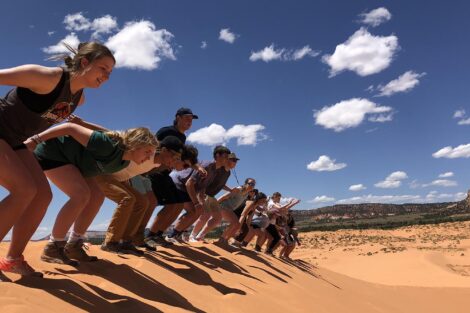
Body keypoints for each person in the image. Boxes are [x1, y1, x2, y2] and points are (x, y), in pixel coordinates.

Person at [0, 42, 115, 277]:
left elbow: (71, 122)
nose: (106, 76)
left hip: (14, 139)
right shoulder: (47, 77)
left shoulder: (79, 99)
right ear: (84, 63)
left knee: (42, 195)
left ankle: (13, 259)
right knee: (23, 189)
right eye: (103, 68)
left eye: (110, 72)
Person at [31, 123, 157, 266]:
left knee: (97, 196)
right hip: (53, 153)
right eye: (148, 151)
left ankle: (73, 245)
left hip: (77, 163)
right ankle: (53, 247)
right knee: (81, 195)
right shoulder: (107, 146)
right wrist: (34, 140)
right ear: (135, 145)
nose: (149, 157)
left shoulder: (123, 163)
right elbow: (69, 128)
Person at [96, 136, 184, 256]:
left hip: (119, 179)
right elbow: (119, 136)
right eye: (174, 156)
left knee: (142, 202)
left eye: (177, 158)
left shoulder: (157, 164)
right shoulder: (147, 153)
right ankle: (110, 242)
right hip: (102, 173)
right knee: (127, 199)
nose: (174, 160)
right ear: (164, 150)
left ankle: (126, 241)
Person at [145, 108, 205, 246]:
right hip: (155, 172)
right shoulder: (167, 131)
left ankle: (158, 234)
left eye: (191, 120)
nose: (189, 122)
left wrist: (196, 166)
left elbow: (183, 157)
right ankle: (150, 236)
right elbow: (153, 148)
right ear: (178, 117)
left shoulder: (182, 137)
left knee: (177, 204)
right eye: (186, 118)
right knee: (157, 203)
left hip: (167, 173)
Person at [165, 145, 232, 243]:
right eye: (226, 156)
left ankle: (177, 234)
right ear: (217, 155)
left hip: (186, 188)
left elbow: (203, 186)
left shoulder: (215, 170)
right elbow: (189, 183)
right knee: (192, 210)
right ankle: (171, 235)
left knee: (198, 210)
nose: (227, 159)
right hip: (178, 184)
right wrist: (196, 203)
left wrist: (201, 201)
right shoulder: (207, 165)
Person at [187, 152, 239, 243]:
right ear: (227, 160)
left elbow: (221, 184)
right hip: (205, 193)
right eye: (233, 160)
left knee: (217, 218)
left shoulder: (228, 173)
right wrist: (201, 195)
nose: (235, 162)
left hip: (212, 196)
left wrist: (230, 190)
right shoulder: (220, 169)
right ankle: (192, 236)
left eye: (236, 160)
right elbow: (207, 180)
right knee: (205, 215)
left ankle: (200, 236)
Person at [203, 177, 256, 246]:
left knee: (232, 224)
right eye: (250, 184)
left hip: (228, 209)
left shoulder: (246, 194)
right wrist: (214, 204)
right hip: (223, 207)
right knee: (235, 223)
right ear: (245, 184)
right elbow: (224, 197)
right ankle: (221, 240)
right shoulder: (238, 189)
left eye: (253, 184)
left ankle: (222, 240)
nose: (252, 186)